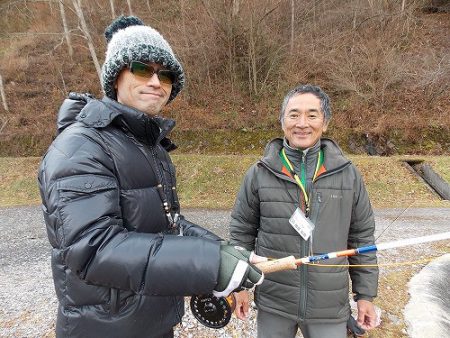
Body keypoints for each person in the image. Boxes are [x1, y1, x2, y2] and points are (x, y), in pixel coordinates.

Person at [38, 15, 263, 338]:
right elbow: (94, 248)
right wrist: (210, 263)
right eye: (143, 69)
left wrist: (226, 253)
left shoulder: (150, 146)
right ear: (115, 77)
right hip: (104, 329)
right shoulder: (79, 146)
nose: (157, 82)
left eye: (167, 74)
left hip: (154, 322)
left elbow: (169, 224)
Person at [229, 84, 379, 338]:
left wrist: (365, 295)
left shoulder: (348, 175)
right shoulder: (259, 173)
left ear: (325, 122)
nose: (302, 123)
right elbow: (241, 234)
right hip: (274, 302)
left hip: (329, 307)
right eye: (294, 114)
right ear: (282, 121)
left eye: (312, 115)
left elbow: (362, 237)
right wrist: (239, 286)